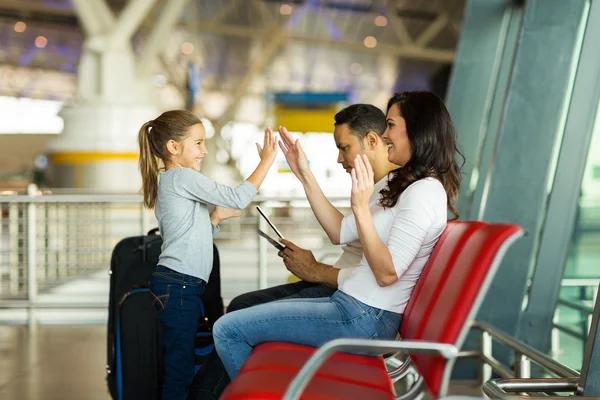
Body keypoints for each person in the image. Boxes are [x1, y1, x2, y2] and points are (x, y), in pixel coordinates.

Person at [211, 90, 464, 380]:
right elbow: (341, 232)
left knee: (227, 330)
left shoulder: (424, 191)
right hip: (354, 306)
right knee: (239, 319)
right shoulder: (404, 183)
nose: (384, 134)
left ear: (417, 129)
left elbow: (387, 273)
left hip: (364, 317)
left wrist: (361, 208)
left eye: (391, 125)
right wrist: (304, 174)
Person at [187, 104, 397, 399]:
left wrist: (316, 270)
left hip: (346, 296)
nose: (339, 158)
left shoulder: (393, 193)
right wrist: (304, 174)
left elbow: (379, 274)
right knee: (240, 306)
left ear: (372, 141)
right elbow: (342, 233)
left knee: (235, 319)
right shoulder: (376, 190)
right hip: (339, 288)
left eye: (344, 148)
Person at [137, 109, 278, 400]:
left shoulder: (173, 181)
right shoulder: (182, 177)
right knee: (179, 371)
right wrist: (266, 162)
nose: (204, 150)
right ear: (173, 148)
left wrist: (213, 220)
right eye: (198, 143)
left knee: (181, 364)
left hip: (178, 285)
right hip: (179, 286)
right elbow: (239, 197)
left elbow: (188, 238)